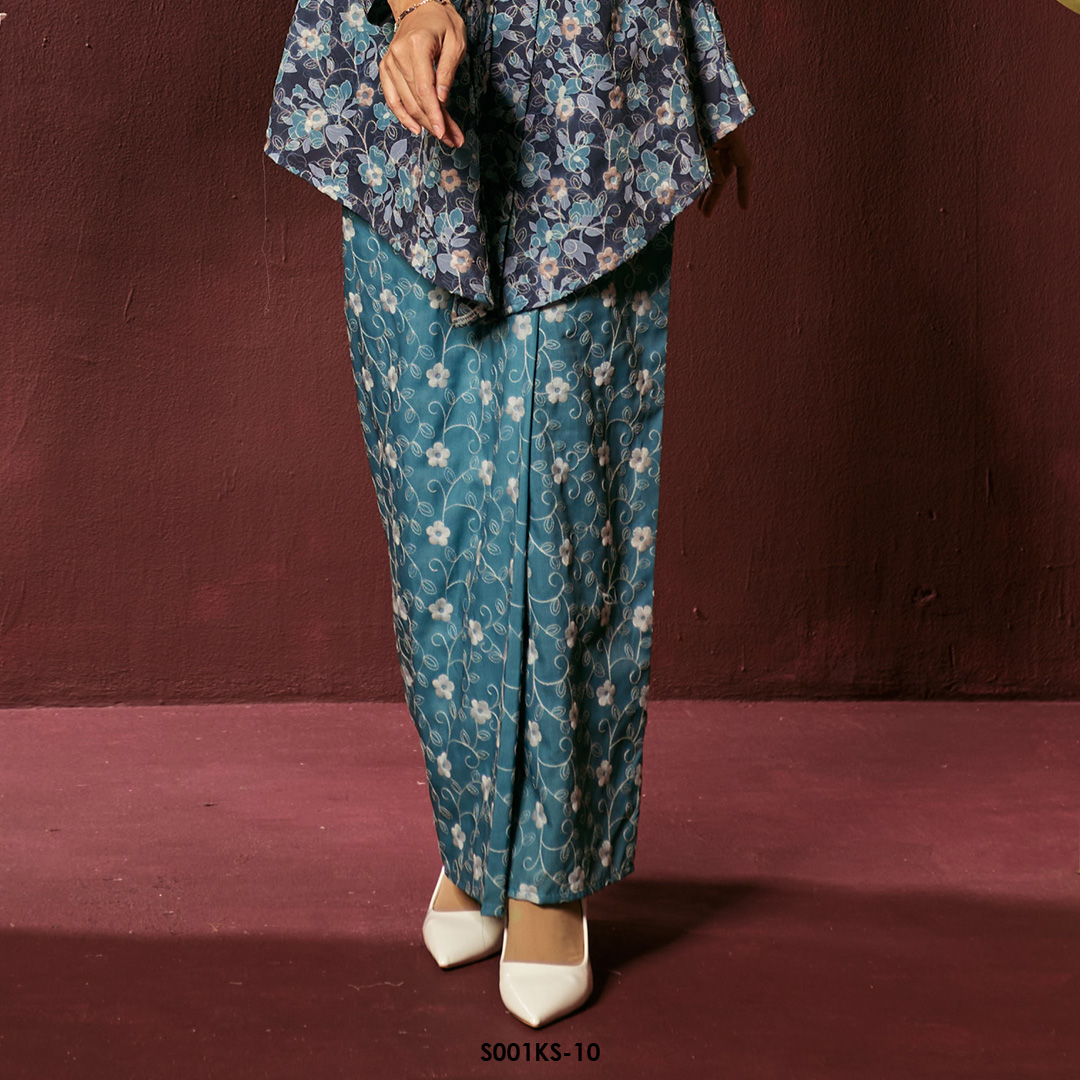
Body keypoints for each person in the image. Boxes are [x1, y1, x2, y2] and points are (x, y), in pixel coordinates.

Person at [265, 0, 754, 1027]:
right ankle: (478, 838)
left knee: (568, 501)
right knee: (433, 506)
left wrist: (693, 77)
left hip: (595, 89)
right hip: (415, 78)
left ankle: (549, 873)